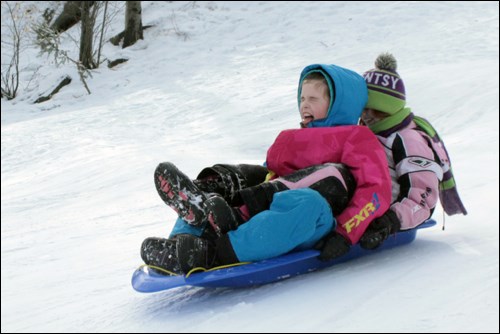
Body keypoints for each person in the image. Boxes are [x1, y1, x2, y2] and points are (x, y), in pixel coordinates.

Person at [141, 64, 392, 274]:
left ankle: (212, 253)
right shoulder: (290, 137)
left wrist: (346, 232)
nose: (305, 104)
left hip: (318, 218)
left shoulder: (356, 136)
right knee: (219, 189)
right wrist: (233, 181)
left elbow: (376, 189)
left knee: (309, 197)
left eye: (313, 99)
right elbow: (268, 171)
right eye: (302, 98)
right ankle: (181, 243)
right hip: (266, 204)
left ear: (339, 104)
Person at [358, 53, 468, 250]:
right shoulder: (365, 132)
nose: (366, 115)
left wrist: (390, 221)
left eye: (374, 109)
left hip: (385, 216)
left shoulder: (408, 139)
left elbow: (422, 195)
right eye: (362, 108)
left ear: (389, 109)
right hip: (361, 206)